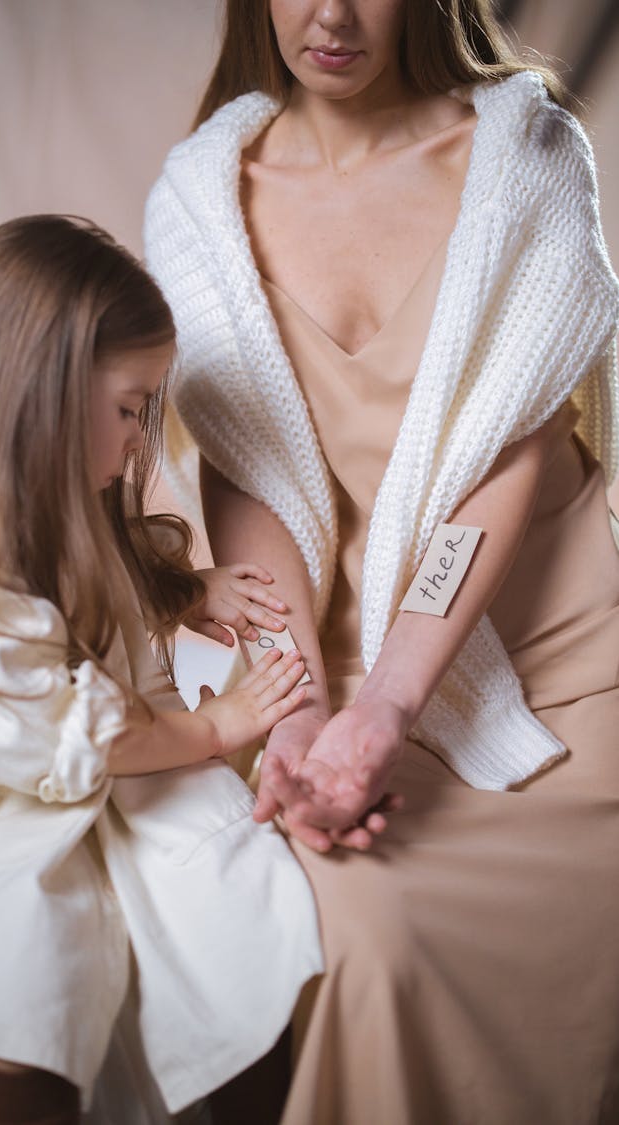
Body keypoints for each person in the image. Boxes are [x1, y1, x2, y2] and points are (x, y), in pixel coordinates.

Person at [143, 1, 619, 1121]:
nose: (333, 15)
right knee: (364, 938)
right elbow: (247, 471)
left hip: (558, 661)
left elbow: (513, 453)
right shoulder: (203, 199)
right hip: (329, 658)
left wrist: (392, 709)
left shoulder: (527, 154)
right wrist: (305, 710)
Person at [0, 215, 324, 1125]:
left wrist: (187, 592)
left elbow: (88, 595)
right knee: (37, 963)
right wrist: (224, 724)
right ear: (36, 399)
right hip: (4, 790)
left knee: (236, 895)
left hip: (86, 757)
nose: (135, 440)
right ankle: (7, 1098)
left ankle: (265, 1084)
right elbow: (100, 730)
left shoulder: (46, 501)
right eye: (128, 408)